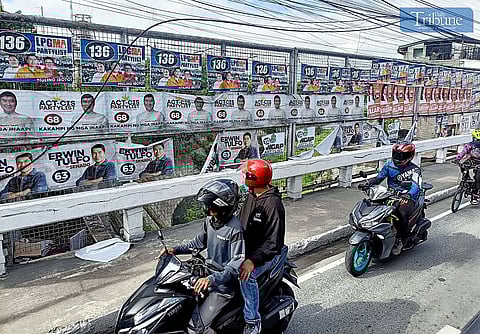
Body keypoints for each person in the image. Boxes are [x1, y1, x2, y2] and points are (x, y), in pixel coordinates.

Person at [158, 179, 245, 334]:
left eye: (214, 206)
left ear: (225, 207)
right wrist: (175, 250)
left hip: (222, 287)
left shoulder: (235, 229)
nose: (209, 209)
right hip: (205, 276)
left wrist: (210, 280)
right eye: (208, 205)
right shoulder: (210, 221)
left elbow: (236, 264)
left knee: (195, 328)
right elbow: (197, 243)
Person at [238, 159, 287, 334]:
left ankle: (253, 321)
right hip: (249, 249)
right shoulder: (251, 196)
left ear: (253, 179)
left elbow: (273, 243)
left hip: (270, 254)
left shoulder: (272, 204)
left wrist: (252, 260)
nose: (242, 176)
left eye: (245, 174)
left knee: (245, 276)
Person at [365, 142, 422, 255]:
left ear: (410, 156)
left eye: (401, 156)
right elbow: (379, 178)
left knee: (402, 213)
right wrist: (368, 184)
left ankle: (400, 239)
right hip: (390, 194)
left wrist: (408, 195)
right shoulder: (389, 166)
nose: (398, 158)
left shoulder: (414, 170)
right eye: (396, 155)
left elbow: (416, 185)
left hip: (407, 197)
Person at [456, 129, 480, 204]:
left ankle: (475, 195)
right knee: (463, 167)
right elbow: (463, 152)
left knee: (477, 178)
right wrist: (457, 159)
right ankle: (466, 182)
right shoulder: (469, 145)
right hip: (472, 161)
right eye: (476, 139)